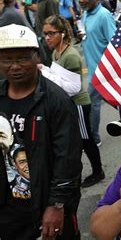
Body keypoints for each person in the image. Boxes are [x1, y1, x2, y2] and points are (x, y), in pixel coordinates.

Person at [0, 24, 82, 239]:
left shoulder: (57, 101)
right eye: (7, 59)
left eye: (23, 58)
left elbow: (68, 160)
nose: (15, 66)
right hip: (9, 212)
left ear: (37, 57)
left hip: (45, 208)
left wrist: (56, 205)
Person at [41, 15, 105, 187]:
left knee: (86, 139)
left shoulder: (70, 55)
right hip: (68, 104)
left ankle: (98, 171)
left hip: (78, 105)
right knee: (74, 140)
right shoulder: (56, 52)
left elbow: (73, 88)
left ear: (62, 33)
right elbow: (57, 78)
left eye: (51, 33)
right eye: (45, 34)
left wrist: (44, 72)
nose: (47, 38)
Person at [78, 0, 117, 146]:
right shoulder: (85, 15)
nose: (81, 0)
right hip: (93, 67)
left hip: (102, 71)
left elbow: (115, 42)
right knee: (113, 99)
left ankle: (94, 139)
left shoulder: (104, 15)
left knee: (92, 103)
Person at [31, 0, 59, 66]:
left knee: (50, 64)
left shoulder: (49, 0)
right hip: (42, 38)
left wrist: (49, 38)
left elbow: (54, 21)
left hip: (48, 40)